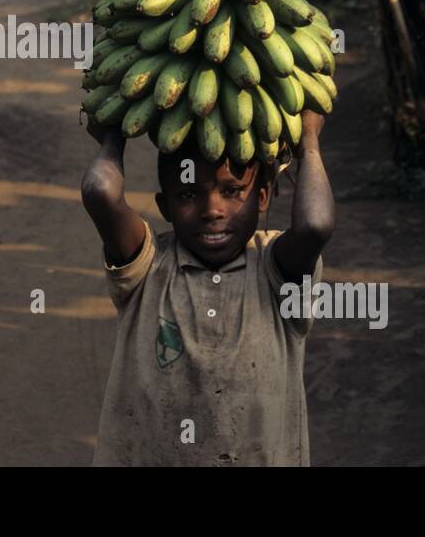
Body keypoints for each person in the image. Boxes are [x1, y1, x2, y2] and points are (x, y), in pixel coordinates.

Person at [81, 110, 333, 465]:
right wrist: (114, 135)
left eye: (231, 191)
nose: (212, 210)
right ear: (164, 206)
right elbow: (101, 193)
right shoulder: (148, 267)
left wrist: (308, 140)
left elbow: (315, 226)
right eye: (188, 194)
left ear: (262, 197)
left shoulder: (274, 271)